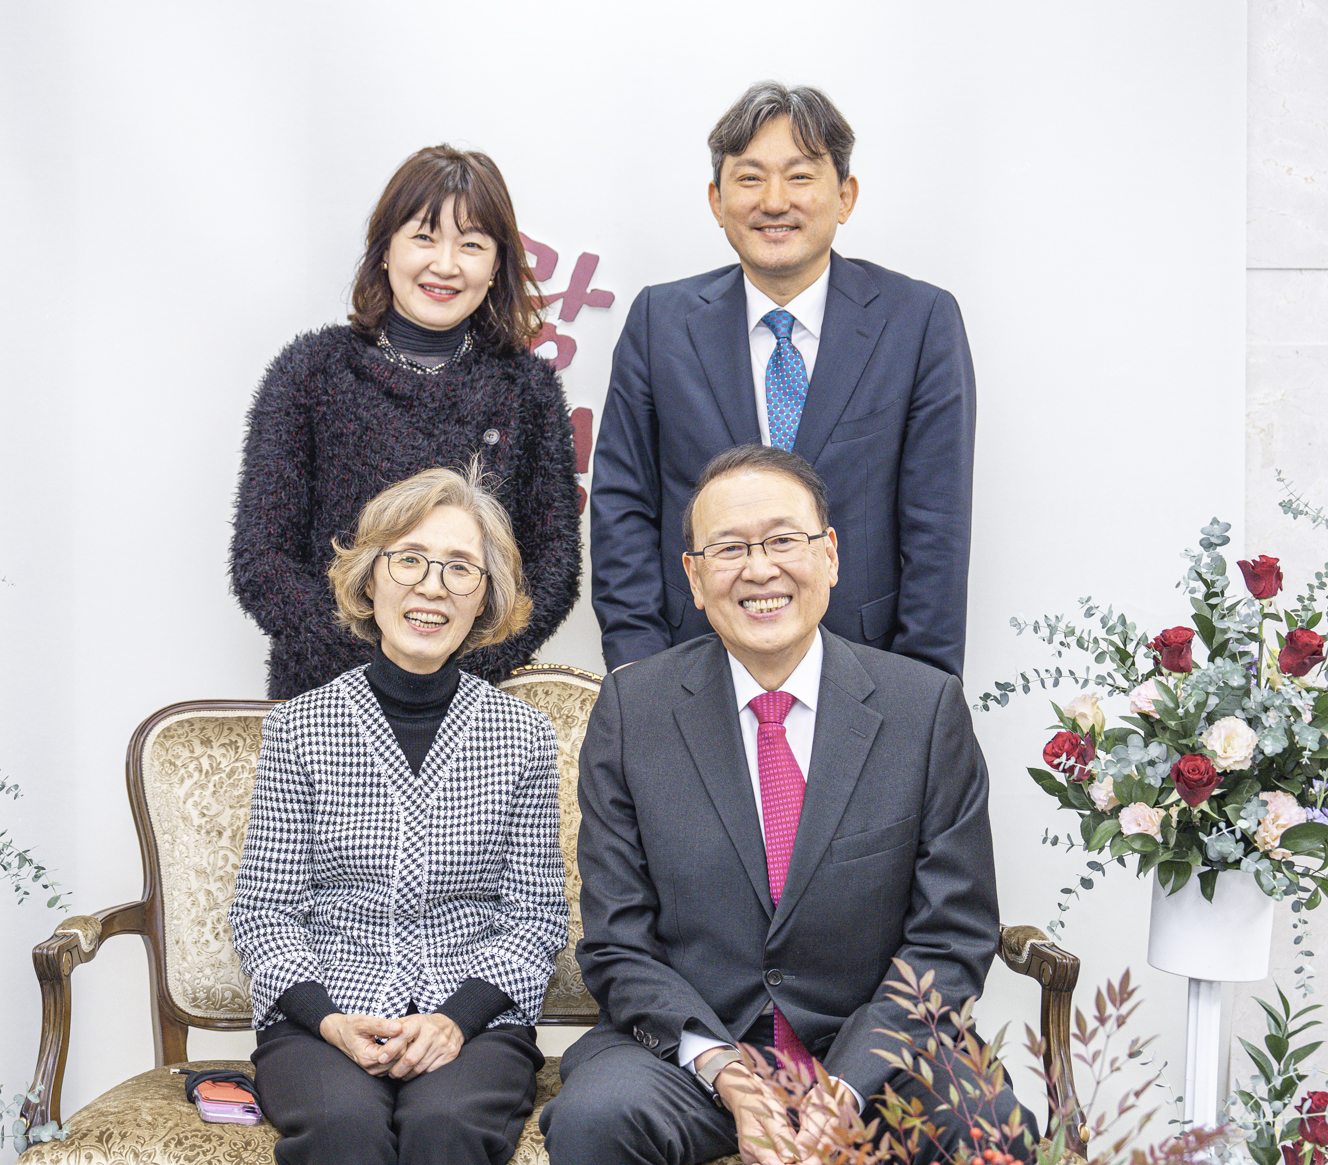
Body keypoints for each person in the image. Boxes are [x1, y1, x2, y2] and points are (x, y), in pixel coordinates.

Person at [540, 445, 1030, 1165]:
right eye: (729, 548)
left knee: (986, 1121)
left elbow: (951, 937)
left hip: (877, 1055)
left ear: (829, 555)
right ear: (694, 578)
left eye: (782, 540)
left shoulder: (923, 709)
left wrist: (849, 1085)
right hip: (699, 1056)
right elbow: (619, 942)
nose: (760, 569)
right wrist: (727, 1073)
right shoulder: (633, 710)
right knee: (596, 1115)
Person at [229, 464, 570, 1165]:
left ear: (485, 597)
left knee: (446, 1124)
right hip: (323, 1014)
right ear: (369, 579)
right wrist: (330, 1021)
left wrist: (453, 1020)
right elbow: (264, 912)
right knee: (342, 1126)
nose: (432, 587)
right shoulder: (300, 728)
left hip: (474, 1018)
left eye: (460, 568)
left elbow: (535, 918)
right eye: (409, 559)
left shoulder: (524, 735)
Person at [589, 81, 975, 678]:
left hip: (869, 669)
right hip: (689, 666)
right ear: (717, 200)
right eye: (749, 178)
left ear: (844, 196)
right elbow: (623, 506)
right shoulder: (657, 322)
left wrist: (924, 692)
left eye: (799, 176)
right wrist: (640, 673)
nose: (774, 201)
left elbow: (938, 528)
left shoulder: (919, 322)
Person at [231, 144, 582, 700]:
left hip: (474, 702)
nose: (445, 264)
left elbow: (553, 563)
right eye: (424, 237)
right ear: (385, 249)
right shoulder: (309, 371)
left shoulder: (529, 389)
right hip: (324, 698)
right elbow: (262, 559)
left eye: (471, 244)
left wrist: (455, 669)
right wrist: (379, 671)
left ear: (496, 267)